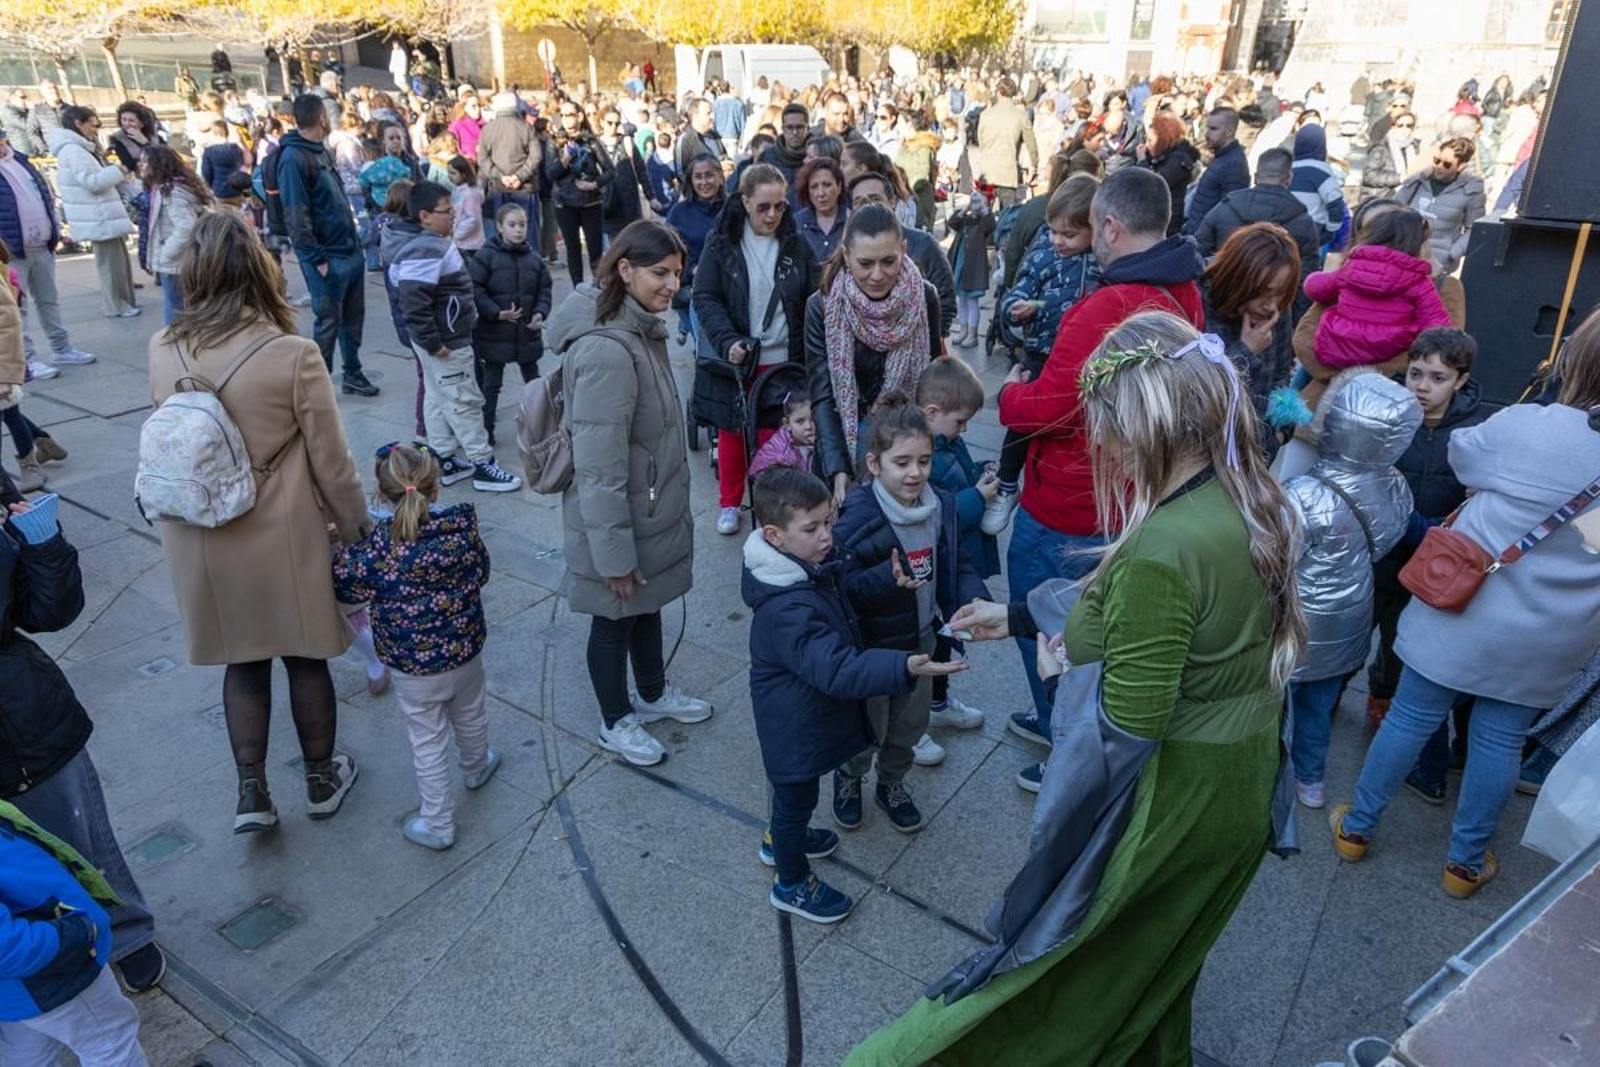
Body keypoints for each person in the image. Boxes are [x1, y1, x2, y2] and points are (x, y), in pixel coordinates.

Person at [850, 312, 1306, 1065]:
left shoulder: (1160, 548)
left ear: (1147, 423)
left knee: (1062, 972)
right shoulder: (1249, 491)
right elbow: (1145, 620)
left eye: (1109, 428)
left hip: (1176, 795)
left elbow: (1121, 735)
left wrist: (1053, 861)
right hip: (1240, 778)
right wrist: (1024, 615)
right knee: (1150, 966)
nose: (1102, 446)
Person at [1331, 309, 1600, 899]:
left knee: (1410, 716)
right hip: (1553, 632)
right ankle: (1464, 863)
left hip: (1464, 605)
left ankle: (1357, 828)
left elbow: (1463, 457)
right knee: (1500, 740)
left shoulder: (1531, 424)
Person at [148, 212, 368, 833]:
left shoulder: (163, 347)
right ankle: (322, 780)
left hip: (201, 537)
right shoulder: (291, 353)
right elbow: (332, 462)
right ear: (259, 271)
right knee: (304, 659)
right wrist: (356, 530)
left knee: (241, 664)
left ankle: (253, 793)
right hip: (282, 532)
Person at [997, 167, 1205, 781]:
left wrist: (1009, 397)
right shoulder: (1184, 290)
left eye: (1092, 225)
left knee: (1048, 628)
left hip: (1071, 503)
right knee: (1097, 634)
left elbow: (1054, 406)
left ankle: (1070, 750)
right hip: (1135, 497)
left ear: (1111, 225)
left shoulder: (1110, 305)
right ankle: (1069, 729)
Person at [743, 467, 959, 923]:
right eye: (813, 528)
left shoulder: (805, 568)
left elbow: (844, 596)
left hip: (804, 718)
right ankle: (791, 880)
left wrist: (884, 580)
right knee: (794, 800)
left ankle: (782, 839)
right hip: (793, 729)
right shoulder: (787, 609)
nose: (828, 535)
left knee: (794, 802)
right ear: (773, 536)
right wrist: (901, 666)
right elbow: (836, 669)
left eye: (829, 520)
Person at [546, 221, 710, 765]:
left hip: (647, 509)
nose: (671, 285)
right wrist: (613, 555)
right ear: (624, 271)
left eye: (677, 274)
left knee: (647, 603)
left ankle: (654, 691)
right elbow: (598, 470)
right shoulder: (608, 349)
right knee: (613, 618)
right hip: (619, 517)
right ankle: (615, 720)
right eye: (659, 273)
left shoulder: (641, 328)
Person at [831, 396, 989, 833]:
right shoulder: (856, 518)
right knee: (866, 724)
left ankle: (892, 783)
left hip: (921, 639)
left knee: (908, 724)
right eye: (901, 462)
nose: (915, 472)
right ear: (875, 464)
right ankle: (849, 777)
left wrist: (973, 599)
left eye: (923, 460)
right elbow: (840, 591)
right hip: (873, 648)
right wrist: (885, 580)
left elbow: (956, 560)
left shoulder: (939, 504)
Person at [333, 444, 499, 851]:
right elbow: (482, 572)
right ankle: (477, 767)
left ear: (381, 492)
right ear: (435, 487)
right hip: (465, 651)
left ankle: (438, 823)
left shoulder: (376, 550)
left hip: (413, 667)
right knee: (470, 712)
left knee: (427, 742)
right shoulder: (460, 532)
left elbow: (344, 583)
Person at [1283, 372, 1421, 809]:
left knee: (1275, 704)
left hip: (1294, 618)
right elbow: (1387, 541)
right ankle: (1310, 779)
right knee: (1319, 706)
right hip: (1351, 614)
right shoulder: (1395, 485)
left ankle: (1267, 775)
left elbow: (1277, 556)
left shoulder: (1302, 492)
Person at [1369, 329, 1487, 791]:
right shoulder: (1393, 417)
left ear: (1460, 381)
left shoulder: (1474, 431)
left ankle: (1388, 703)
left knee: (1404, 644)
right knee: (1362, 627)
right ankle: (1360, 697)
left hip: (1432, 562)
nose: (1421, 386)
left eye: (1437, 377)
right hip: (1380, 551)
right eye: (1415, 373)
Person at [691, 164, 816, 535]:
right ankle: (729, 502)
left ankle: (772, 506)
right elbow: (705, 297)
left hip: (786, 360)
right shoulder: (721, 243)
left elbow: (813, 295)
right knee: (732, 434)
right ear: (744, 201)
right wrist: (728, 340)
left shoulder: (796, 243)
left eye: (780, 206)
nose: (773, 215)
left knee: (776, 437)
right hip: (741, 359)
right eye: (763, 207)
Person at [389, 181, 522, 492]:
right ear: (424, 216)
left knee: (437, 399)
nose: (454, 216)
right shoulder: (426, 247)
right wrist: (435, 342)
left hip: (440, 340)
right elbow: (414, 301)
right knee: (464, 401)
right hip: (446, 343)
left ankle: (445, 459)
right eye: (447, 212)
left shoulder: (430, 243)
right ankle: (483, 465)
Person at [806, 205, 942, 507]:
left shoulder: (925, 296)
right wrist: (839, 467)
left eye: (889, 261)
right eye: (865, 263)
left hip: (905, 450)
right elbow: (823, 394)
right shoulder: (821, 306)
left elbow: (929, 382)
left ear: (903, 249)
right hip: (845, 440)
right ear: (846, 254)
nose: (877, 275)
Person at [0, 799, 151, 1065]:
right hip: (53, 970)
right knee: (111, 1044)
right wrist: (78, 933)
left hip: (17, 990)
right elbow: (7, 948)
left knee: (27, 1054)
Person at [991, 175, 1100, 531]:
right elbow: (1016, 289)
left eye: (1069, 235)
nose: (1058, 240)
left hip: (1088, 360)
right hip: (1041, 353)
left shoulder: (1103, 261)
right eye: (1053, 231)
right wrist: (1014, 307)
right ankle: (1007, 486)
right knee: (1022, 422)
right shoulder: (1043, 253)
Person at [917, 357, 998, 748]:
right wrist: (976, 497)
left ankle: (937, 700)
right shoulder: (922, 457)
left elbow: (959, 479)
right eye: (960, 421)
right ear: (932, 412)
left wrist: (982, 471)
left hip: (953, 566)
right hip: (933, 567)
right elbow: (938, 512)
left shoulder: (949, 442)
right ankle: (913, 721)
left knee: (946, 635)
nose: (964, 428)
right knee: (928, 641)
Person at [276, 94, 380, 396]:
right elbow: (296, 213)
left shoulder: (319, 151)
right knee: (328, 320)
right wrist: (316, 257)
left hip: (347, 250)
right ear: (321, 117)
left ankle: (353, 373)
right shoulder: (294, 158)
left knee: (352, 318)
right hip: (327, 256)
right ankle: (317, 385)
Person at [1303, 206, 1453, 371]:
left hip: (1336, 349)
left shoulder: (1349, 269)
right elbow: (1437, 327)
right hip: (1387, 354)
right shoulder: (1419, 282)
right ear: (1418, 244)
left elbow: (1313, 288)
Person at [1201, 222, 1300, 460]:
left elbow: (1282, 375)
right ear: (1239, 279)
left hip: (1257, 454)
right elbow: (1198, 394)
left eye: (1280, 293)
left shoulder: (1276, 311)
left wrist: (1279, 436)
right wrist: (1246, 350)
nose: (1272, 305)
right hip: (1208, 458)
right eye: (1265, 292)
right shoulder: (1200, 304)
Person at [0, 129, 94, 373]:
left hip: (41, 245)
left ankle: (62, 349)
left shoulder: (22, 161)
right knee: (15, 308)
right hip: (11, 252)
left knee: (48, 301)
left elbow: (45, 197)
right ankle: (27, 360)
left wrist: (54, 230)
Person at [468, 201, 551, 445]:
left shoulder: (534, 259)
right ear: (500, 227)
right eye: (512, 225)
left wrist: (539, 313)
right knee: (491, 384)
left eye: (522, 224)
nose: (518, 230)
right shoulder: (486, 256)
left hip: (526, 333)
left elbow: (544, 289)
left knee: (534, 384)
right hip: (495, 333)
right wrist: (495, 313)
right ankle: (486, 432)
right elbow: (475, 288)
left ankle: (542, 427)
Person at [44, 107, 138, 320]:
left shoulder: (79, 149)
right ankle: (116, 305)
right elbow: (92, 182)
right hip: (98, 216)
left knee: (116, 263)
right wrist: (118, 171)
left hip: (100, 214)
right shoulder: (74, 150)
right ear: (79, 123)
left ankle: (121, 303)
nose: (96, 130)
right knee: (110, 266)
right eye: (94, 125)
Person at [846, 172, 956, 340]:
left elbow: (945, 300)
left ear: (892, 201)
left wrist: (928, 337)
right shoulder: (834, 289)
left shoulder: (923, 244)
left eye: (874, 198)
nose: (867, 206)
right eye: (858, 201)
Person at [1193, 148, 1320, 294]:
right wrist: (1294, 316)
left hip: (1220, 301)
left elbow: (1197, 256)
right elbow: (1304, 281)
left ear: (1255, 177)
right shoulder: (1303, 222)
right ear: (1289, 178)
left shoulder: (1224, 208)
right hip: (1272, 309)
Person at [1394, 137, 1486, 275]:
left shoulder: (1472, 191)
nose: (1439, 167)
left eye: (1447, 164)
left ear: (1461, 166)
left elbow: (1474, 229)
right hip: (1402, 252)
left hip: (1437, 263)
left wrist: (1452, 253)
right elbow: (1391, 210)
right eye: (1437, 160)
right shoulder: (1418, 180)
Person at [141, 145, 211, 325]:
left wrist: (166, 254)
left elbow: (186, 227)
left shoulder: (171, 191)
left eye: (144, 162)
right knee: (184, 307)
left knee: (175, 309)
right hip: (180, 260)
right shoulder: (168, 187)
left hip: (175, 262)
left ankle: (175, 347)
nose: (140, 166)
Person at [545, 103, 613, 284]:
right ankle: (578, 292)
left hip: (590, 203)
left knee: (595, 252)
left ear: (579, 116)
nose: (567, 118)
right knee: (573, 250)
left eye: (570, 114)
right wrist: (565, 158)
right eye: (563, 114)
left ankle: (599, 290)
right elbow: (550, 174)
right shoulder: (554, 141)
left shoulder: (590, 141)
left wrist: (593, 185)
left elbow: (610, 171)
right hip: (564, 204)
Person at [664, 153, 724, 341]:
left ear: (720, 177)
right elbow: (665, 253)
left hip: (729, 286)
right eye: (698, 176)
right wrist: (691, 270)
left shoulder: (734, 208)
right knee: (706, 346)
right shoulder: (679, 213)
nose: (704, 181)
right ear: (690, 180)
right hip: (691, 288)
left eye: (709, 175)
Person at [478, 92, 543, 249]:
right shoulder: (526, 128)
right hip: (525, 188)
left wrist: (501, 176)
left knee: (502, 231)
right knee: (527, 231)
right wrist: (519, 176)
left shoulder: (487, 129)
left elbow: (483, 159)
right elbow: (536, 156)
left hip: (499, 188)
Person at [971, 77, 1038, 207]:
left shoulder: (985, 115)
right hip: (1008, 172)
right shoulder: (1021, 116)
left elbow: (981, 141)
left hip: (987, 172)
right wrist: (1033, 165)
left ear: (998, 93)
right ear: (1013, 94)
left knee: (984, 213)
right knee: (1007, 216)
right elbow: (1031, 144)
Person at [1183, 107, 1248, 237]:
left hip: (1206, 244)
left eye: (1213, 129)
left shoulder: (1233, 164)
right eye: (1207, 128)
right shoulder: (1222, 157)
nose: (1207, 134)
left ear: (1229, 131)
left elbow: (1231, 216)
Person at [945, 193, 995, 349]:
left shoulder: (982, 223)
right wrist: (965, 208)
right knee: (962, 300)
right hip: (961, 264)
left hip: (973, 266)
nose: (975, 204)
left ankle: (973, 335)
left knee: (972, 300)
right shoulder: (966, 220)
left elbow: (991, 225)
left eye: (978, 202)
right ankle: (963, 330)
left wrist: (984, 208)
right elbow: (953, 222)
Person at [1137, 112, 1199, 235]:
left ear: (1164, 139)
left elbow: (1154, 185)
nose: (1147, 145)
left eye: (1150, 140)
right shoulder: (1163, 155)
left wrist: (1142, 161)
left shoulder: (1178, 160)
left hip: (1167, 225)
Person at [1288, 124, 1347, 246]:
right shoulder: (1322, 171)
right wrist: (1331, 229)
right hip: (1314, 228)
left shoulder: (1288, 168)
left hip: (1287, 227)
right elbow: (1335, 203)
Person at [597, 106, 646, 240]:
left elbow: (641, 169)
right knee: (612, 250)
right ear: (601, 122)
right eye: (609, 122)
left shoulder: (627, 143)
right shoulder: (595, 144)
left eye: (617, 123)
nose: (613, 126)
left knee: (632, 247)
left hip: (628, 204)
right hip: (607, 205)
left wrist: (651, 196)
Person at [748, 392, 818, 478]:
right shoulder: (783, 456)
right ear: (787, 424)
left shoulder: (822, 438)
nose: (808, 426)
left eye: (813, 419)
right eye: (800, 421)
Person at [794, 157, 847, 262]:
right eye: (814, 187)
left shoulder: (852, 219)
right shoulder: (796, 223)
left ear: (839, 186)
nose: (821, 193)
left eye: (827, 185)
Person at [760, 103, 812, 190]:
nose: (795, 132)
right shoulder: (767, 158)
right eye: (790, 127)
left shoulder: (819, 156)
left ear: (808, 129)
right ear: (783, 129)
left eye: (799, 127)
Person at [676, 98, 724, 174]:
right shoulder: (686, 140)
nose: (713, 117)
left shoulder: (715, 136)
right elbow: (680, 172)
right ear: (696, 116)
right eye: (708, 113)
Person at [108, 102, 159, 172]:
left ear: (142, 123)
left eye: (131, 121)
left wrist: (145, 142)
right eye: (124, 120)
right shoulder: (118, 138)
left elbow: (162, 157)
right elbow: (129, 165)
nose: (126, 124)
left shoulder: (152, 134)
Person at [448, 95, 485, 160]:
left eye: (479, 105)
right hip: (468, 165)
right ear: (465, 107)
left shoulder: (485, 123)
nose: (478, 109)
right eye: (473, 106)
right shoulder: (456, 126)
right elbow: (452, 149)